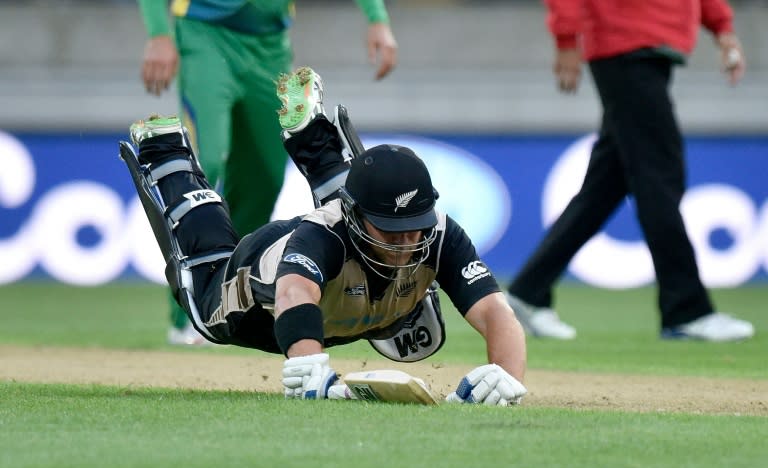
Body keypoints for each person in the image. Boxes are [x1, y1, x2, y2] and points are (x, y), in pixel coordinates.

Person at [118, 67, 528, 404]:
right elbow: (293, 294)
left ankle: (313, 136)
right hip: (264, 280)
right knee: (208, 307)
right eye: (391, 230)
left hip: (359, 296)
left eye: (413, 227)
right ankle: (166, 152)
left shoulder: (439, 231)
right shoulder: (322, 234)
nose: (405, 244)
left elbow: (496, 311)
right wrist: (310, 364)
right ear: (356, 216)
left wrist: (506, 379)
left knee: (419, 335)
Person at [136, 0, 399, 346]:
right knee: (208, 161)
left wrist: (377, 18)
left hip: (271, 45)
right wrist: (159, 33)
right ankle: (186, 311)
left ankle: (223, 302)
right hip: (205, 34)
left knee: (264, 180)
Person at [505, 0, 754, 342]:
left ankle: (528, 292)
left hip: (647, 49)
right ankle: (686, 310)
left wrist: (722, 27)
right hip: (624, 45)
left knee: (604, 188)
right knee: (660, 176)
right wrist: (566, 39)